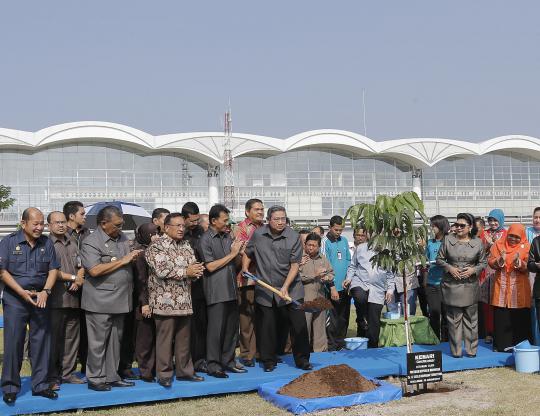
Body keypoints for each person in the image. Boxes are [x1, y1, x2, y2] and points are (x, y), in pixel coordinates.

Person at [0, 208, 60, 404]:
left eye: (42, 223)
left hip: (40, 299)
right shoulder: (9, 242)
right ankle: (10, 387)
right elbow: (2, 272)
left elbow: (53, 269)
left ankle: (41, 385)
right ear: (23, 223)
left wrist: (46, 291)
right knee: (13, 343)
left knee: (41, 343)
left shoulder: (46, 243)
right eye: (35, 223)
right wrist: (20, 292)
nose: (39, 227)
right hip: (16, 299)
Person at [81, 205, 143, 391]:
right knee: (98, 343)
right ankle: (96, 378)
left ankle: (112, 375)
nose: (120, 228)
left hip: (121, 299)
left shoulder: (123, 238)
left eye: (121, 224)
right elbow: (94, 269)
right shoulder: (91, 241)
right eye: (116, 225)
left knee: (116, 341)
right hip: (100, 300)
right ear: (103, 223)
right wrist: (123, 261)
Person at [243, 206, 311, 372]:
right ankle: (268, 361)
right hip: (266, 289)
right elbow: (248, 251)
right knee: (267, 327)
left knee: (298, 325)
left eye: (284, 219)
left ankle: (302, 360)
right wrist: (245, 268)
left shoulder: (293, 236)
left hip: (291, 288)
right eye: (277, 219)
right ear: (268, 220)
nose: (281, 222)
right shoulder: (258, 235)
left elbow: (295, 265)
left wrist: (286, 287)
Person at [145, 213, 205, 387]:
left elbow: (194, 267)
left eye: (182, 226)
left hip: (185, 301)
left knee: (184, 339)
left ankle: (185, 372)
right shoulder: (156, 247)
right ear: (166, 227)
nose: (181, 229)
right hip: (165, 302)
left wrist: (193, 272)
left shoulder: (186, 245)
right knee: (164, 340)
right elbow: (162, 271)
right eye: (177, 226)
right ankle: (164, 374)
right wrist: (186, 272)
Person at [198, 204, 246, 378]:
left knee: (232, 330)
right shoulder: (205, 239)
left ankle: (229, 361)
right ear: (213, 220)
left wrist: (239, 254)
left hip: (232, 289)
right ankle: (213, 364)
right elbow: (210, 266)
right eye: (225, 220)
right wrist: (232, 255)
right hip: (216, 291)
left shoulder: (228, 237)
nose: (228, 224)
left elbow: (234, 264)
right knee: (215, 330)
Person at [436, 213, 487, 358]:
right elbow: (439, 259)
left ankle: (471, 350)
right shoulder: (447, 240)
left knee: (471, 320)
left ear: (470, 227)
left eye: (462, 225)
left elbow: (483, 262)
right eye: (456, 224)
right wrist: (450, 268)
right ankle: (456, 351)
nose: (458, 228)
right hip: (452, 286)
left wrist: (473, 270)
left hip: (470, 286)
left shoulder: (477, 242)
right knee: (454, 320)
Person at [47, 211, 86, 390]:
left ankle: (68, 373)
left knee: (72, 338)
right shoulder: (46, 244)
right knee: (54, 340)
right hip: (55, 300)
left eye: (63, 222)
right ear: (49, 225)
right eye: (57, 223)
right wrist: (73, 278)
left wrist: (78, 278)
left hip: (74, 298)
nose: (61, 225)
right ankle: (52, 376)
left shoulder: (73, 242)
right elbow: (51, 271)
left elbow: (81, 264)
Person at [345, 229, 394, 347]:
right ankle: (361, 318)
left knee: (374, 321)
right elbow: (353, 266)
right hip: (360, 282)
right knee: (359, 297)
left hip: (377, 289)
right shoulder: (361, 248)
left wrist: (390, 289)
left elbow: (390, 274)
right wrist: (349, 278)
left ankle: (372, 346)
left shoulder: (387, 253)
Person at [488, 224, 532, 352]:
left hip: (519, 288)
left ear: (522, 237)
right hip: (501, 286)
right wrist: (499, 260)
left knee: (519, 317)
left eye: (517, 237)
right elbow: (490, 261)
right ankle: (501, 346)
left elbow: (529, 264)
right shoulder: (498, 245)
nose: (513, 239)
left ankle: (521, 347)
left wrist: (520, 263)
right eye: (511, 235)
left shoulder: (527, 247)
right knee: (502, 315)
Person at [234, 198, 265, 367]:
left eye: (262, 209)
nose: (260, 212)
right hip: (246, 280)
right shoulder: (240, 228)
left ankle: (261, 351)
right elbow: (243, 250)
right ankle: (247, 354)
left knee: (262, 318)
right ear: (247, 212)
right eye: (256, 209)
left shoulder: (266, 228)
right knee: (246, 320)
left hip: (265, 280)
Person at [63, 200, 90, 374]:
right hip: (65, 291)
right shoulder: (62, 235)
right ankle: (65, 369)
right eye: (82, 214)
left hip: (87, 290)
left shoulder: (89, 234)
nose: (85, 217)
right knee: (67, 333)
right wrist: (74, 278)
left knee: (86, 331)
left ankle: (87, 367)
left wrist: (81, 276)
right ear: (71, 216)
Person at [182, 202, 208, 374]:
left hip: (200, 286)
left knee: (201, 325)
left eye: (197, 220)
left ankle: (200, 360)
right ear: (184, 219)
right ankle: (184, 361)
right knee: (185, 329)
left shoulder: (202, 233)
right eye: (191, 221)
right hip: (182, 287)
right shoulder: (179, 234)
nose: (194, 223)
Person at [132, 223, 159, 382]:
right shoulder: (141, 254)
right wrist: (145, 302)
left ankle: (154, 367)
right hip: (145, 301)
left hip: (157, 300)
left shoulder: (155, 251)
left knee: (155, 336)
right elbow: (141, 281)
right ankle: (145, 370)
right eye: (153, 234)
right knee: (145, 338)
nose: (157, 237)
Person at [299, 233, 334, 352]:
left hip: (320, 296)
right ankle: (304, 351)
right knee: (305, 325)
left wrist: (328, 277)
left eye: (314, 245)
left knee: (319, 326)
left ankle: (321, 351)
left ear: (319, 246)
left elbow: (331, 273)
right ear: (305, 244)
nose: (310, 248)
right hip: (305, 297)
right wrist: (315, 275)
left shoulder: (322, 258)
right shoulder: (300, 258)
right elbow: (297, 276)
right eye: (308, 245)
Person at [321, 215, 351, 340]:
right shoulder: (324, 242)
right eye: (336, 230)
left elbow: (349, 261)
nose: (338, 232)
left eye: (341, 230)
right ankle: (331, 345)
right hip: (331, 287)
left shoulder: (344, 240)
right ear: (330, 228)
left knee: (344, 316)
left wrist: (348, 278)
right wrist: (332, 286)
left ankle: (341, 343)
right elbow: (323, 265)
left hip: (345, 286)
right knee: (332, 318)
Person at [480, 209, 506, 344]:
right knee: (487, 304)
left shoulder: (507, 234)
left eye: (495, 220)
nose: (493, 223)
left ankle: (501, 331)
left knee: (500, 302)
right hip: (486, 273)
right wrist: (487, 245)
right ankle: (489, 332)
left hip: (501, 273)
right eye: (490, 220)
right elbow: (479, 253)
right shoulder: (484, 234)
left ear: (501, 220)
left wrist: (494, 244)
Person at [424, 215, 450, 341]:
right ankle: (435, 340)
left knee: (446, 315)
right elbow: (425, 259)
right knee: (434, 313)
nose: (431, 228)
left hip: (446, 283)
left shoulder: (450, 242)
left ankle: (446, 341)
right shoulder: (430, 243)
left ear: (441, 226)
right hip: (431, 283)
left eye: (433, 225)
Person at [525, 207, 540, 345]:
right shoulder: (528, 232)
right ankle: (536, 342)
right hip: (531, 274)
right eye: (535, 217)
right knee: (534, 307)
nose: (537, 220)